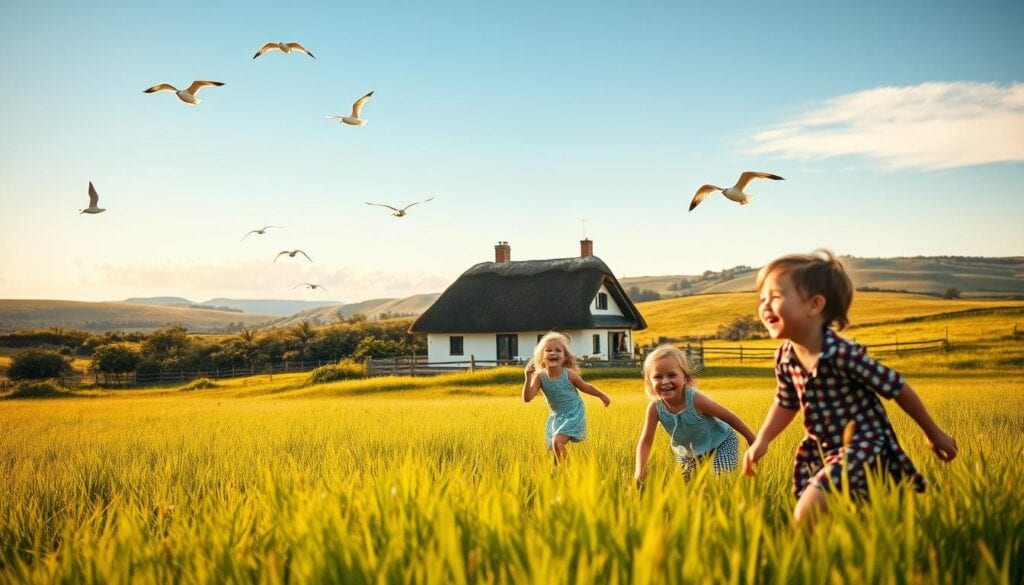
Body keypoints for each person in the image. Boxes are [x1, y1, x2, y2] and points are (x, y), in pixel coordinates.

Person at [741, 249, 957, 527]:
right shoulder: (785, 357)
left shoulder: (842, 354)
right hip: (823, 448)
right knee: (857, 517)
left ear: (815, 305)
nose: (765, 306)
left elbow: (897, 387)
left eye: (776, 297)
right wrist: (762, 441)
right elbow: (785, 402)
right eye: (762, 299)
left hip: (863, 444)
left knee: (809, 508)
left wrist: (934, 433)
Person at [634, 344, 755, 484]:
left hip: (721, 444)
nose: (665, 381)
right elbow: (646, 441)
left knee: (719, 482)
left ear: (685, 378)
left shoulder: (695, 400)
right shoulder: (655, 409)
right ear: (649, 382)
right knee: (687, 487)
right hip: (688, 454)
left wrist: (752, 439)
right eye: (657, 377)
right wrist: (640, 469)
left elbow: (729, 417)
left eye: (672, 375)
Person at [522, 332, 611, 464]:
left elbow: (585, 387)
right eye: (548, 350)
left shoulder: (568, 374)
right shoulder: (540, 377)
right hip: (557, 416)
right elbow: (527, 398)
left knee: (557, 442)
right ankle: (557, 473)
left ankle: (569, 472)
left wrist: (601, 395)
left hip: (575, 413)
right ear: (542, 356)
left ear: (564, 357)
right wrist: (527, 378)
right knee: (556, 448)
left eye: (558, 350)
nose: (553, 353)